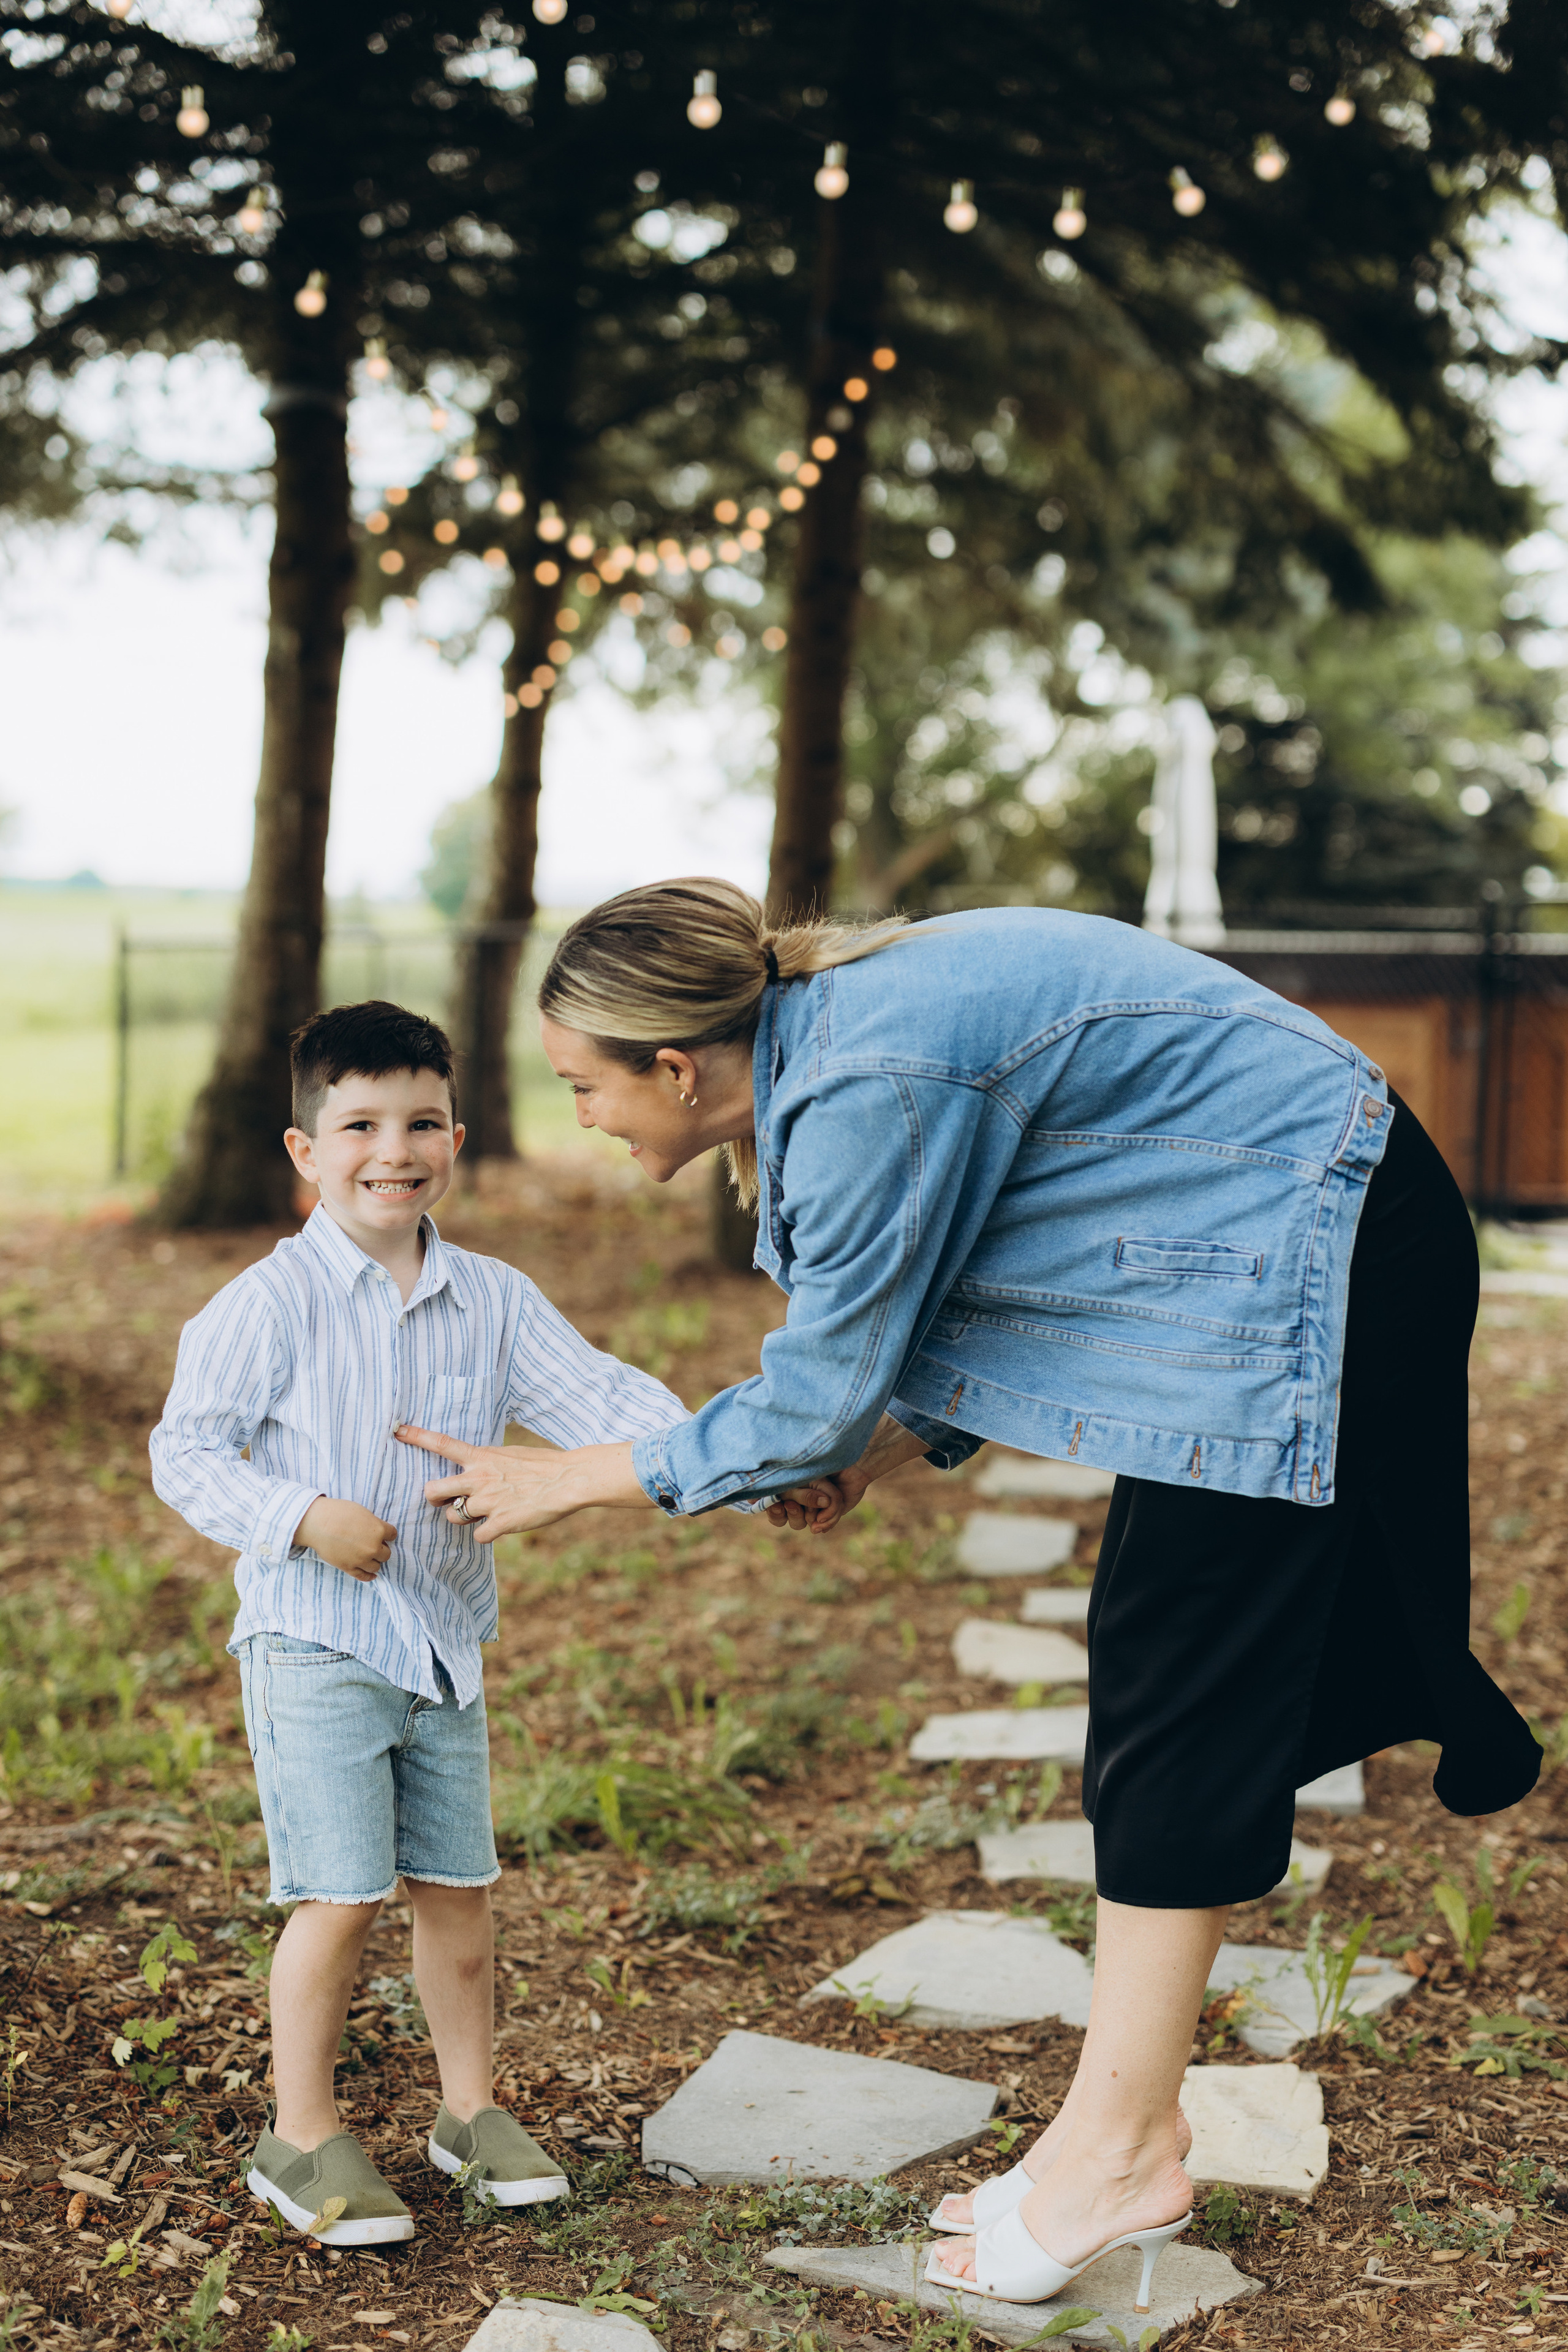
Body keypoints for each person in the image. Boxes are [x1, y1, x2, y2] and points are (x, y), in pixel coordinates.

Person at [397, 879, 1541, 2309]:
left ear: (676, 1067)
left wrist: (576, 1475)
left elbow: (812, 1393)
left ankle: (1121, 2151)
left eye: (584, 1086)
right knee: (1162, 1684)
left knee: (1177, 1693)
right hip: (1271, 1238)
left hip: (1315, 1239)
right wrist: (880, 1452)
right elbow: (1000, 1252)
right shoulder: (842, 1045)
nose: (579, 1117)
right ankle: (1102, 2133)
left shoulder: (858, 1082)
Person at [149, 1000, 825, 2247]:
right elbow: (185, 1453)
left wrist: (749, 1470)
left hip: (443, 1649)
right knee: (339, 1897)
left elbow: (605, 1403)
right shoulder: (268, 1304)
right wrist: (302, 1516)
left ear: (457, 1138)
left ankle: (469, 2111)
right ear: (305, 1151)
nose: (392, 1150)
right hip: (314, 1645)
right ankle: (300, 2134)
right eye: (359, 1125)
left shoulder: (493, 1300)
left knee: (458, 1892)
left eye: (421, 1123)